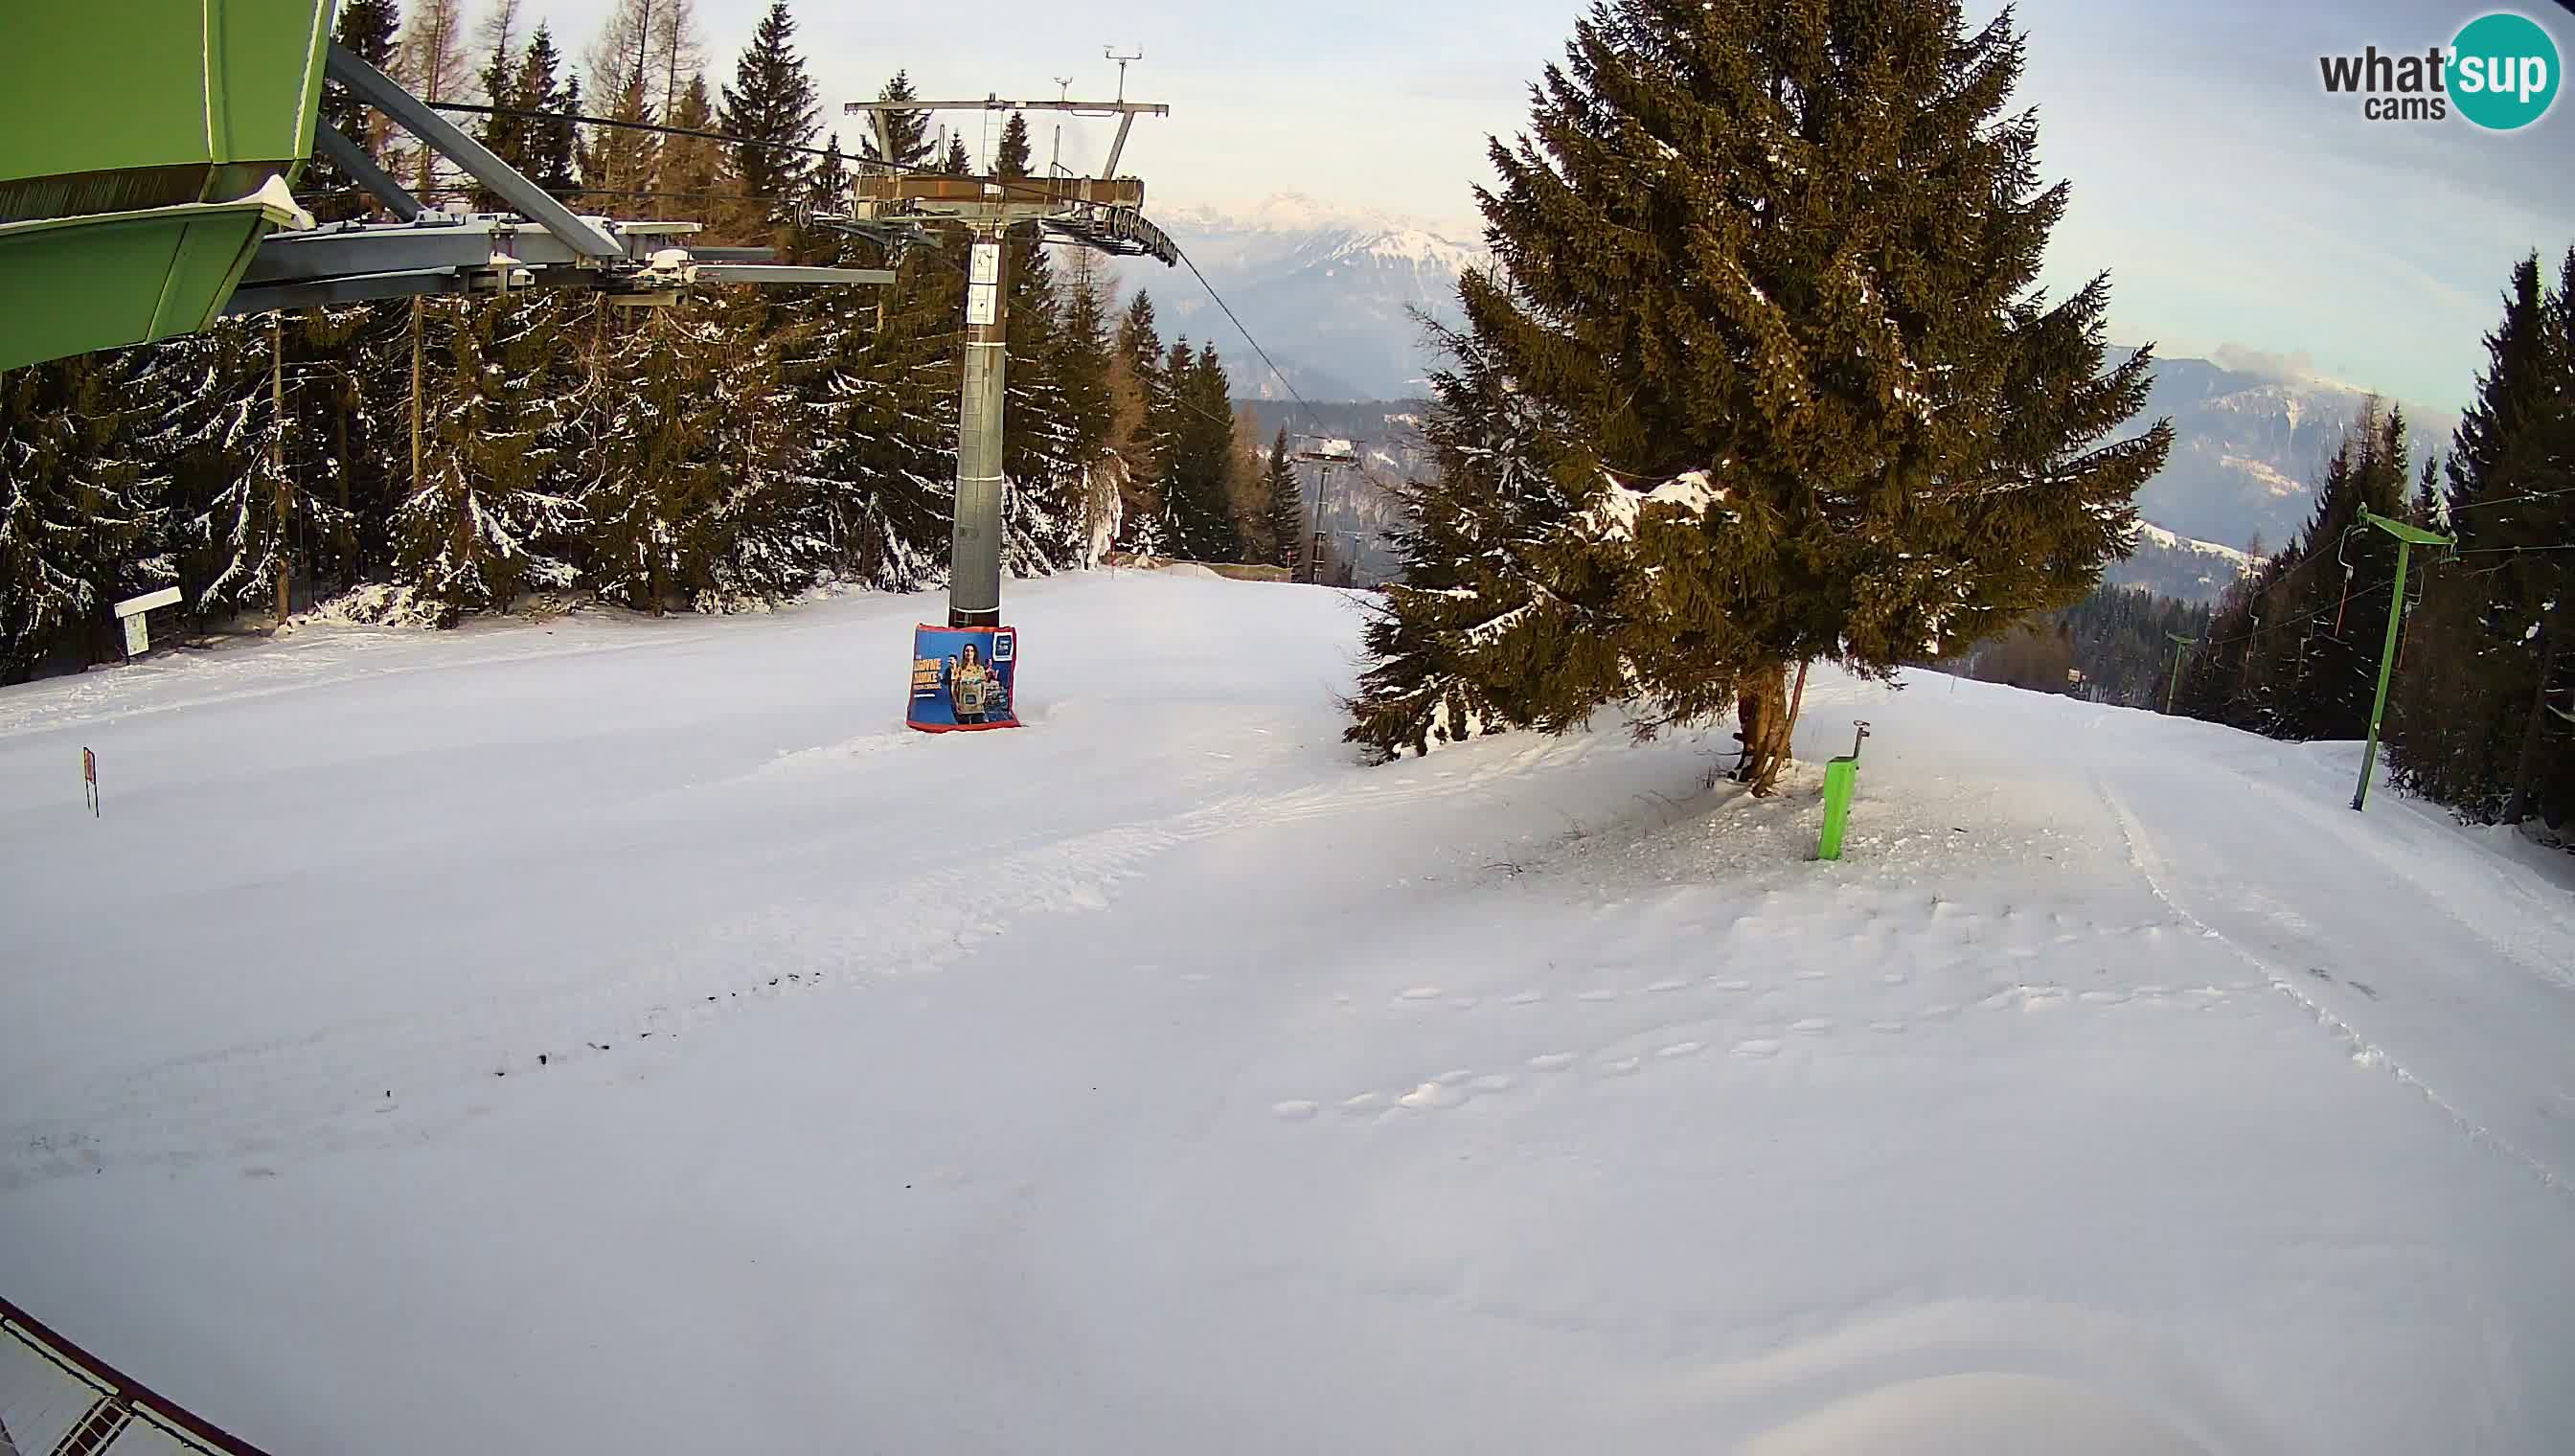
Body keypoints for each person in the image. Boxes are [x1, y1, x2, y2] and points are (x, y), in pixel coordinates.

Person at [948, 642, 989, 724]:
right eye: (967, 651)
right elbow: (953, 688)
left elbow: (984, 687)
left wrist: (982, 701)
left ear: (975, 653)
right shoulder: (959, 669)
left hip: (977, 708)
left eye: (971, 651)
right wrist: (957, 703)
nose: (969, 653)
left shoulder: (980, 669)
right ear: (964, 653)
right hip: (963, 709)